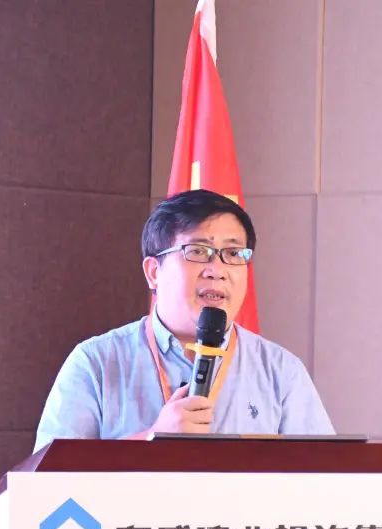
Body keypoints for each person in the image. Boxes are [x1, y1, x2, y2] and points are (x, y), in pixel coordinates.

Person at [34, 189, 333, 451]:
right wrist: (150, 441)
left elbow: (326, 479)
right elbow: (47, 481)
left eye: (233, 253)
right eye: (198, 251)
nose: (217, 270)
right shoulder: (96, 363)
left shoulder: (281, 371)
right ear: (154, 272)